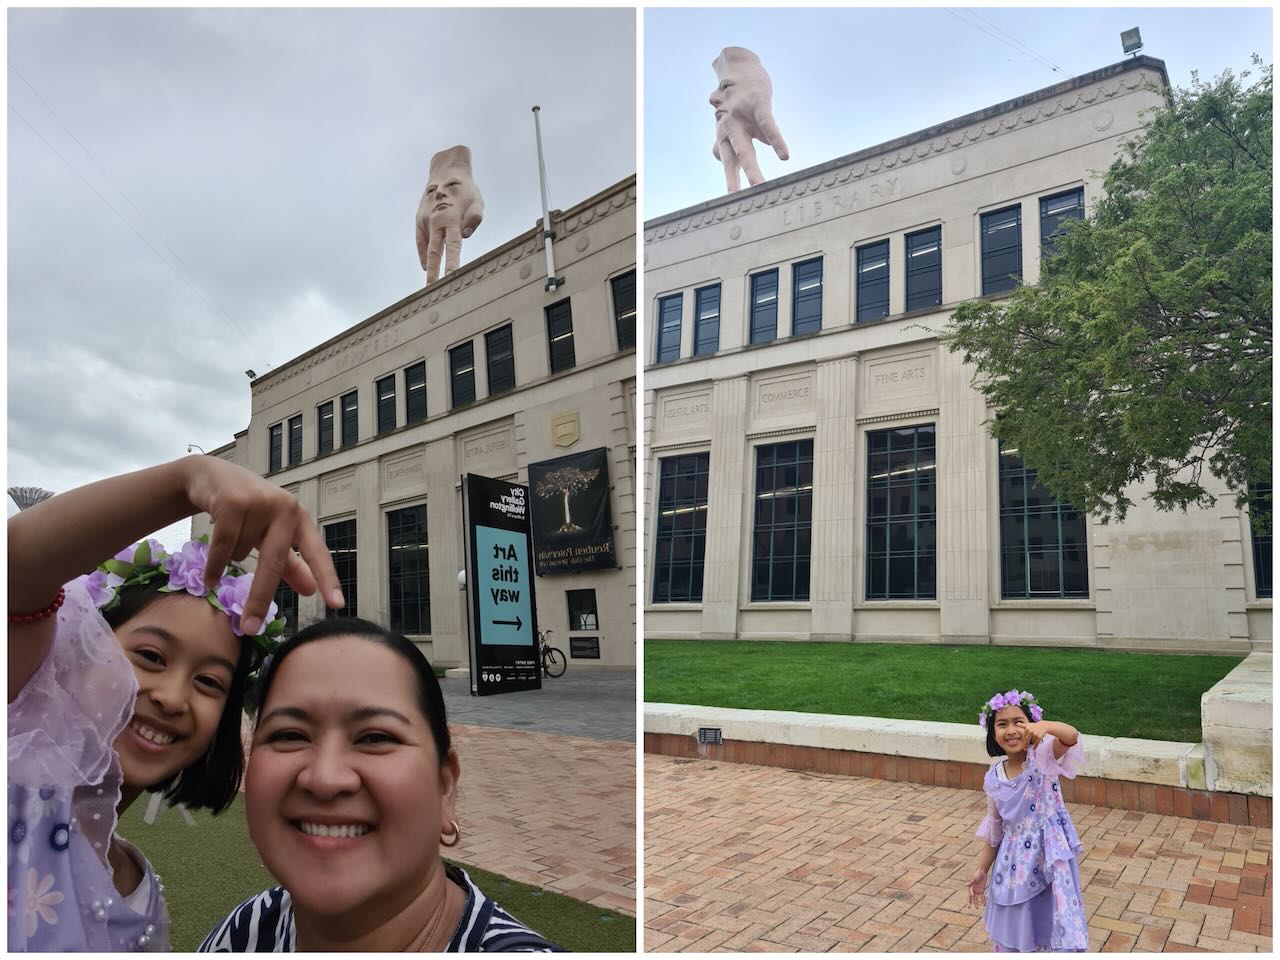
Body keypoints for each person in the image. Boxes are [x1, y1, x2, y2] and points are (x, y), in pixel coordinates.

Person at [8, 455, 342, 951]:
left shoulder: (138, 887)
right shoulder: (16, 786)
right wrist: (186, 479)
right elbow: (14, 569)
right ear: (82, 649)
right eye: (149, 656)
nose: (171, 697)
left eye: (210, 682)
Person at [199, 618, 562, 952]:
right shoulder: (245, 931)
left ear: (443, 787)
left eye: (375, 738)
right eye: (290, 735)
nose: (325, 779)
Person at [965, 689, 1088, 952]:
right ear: (992, 733)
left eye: (1019, 722)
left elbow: (1071, 736)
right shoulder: (993, 778)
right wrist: (981, 870)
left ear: (1031, 725)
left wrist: (1046, 726)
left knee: (1050, 917)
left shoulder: (1043, 756)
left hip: (1048, 856)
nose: (1011, 730)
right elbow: (995, 831)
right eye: (1001, 724)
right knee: (1020, 923)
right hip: (1013, 865)